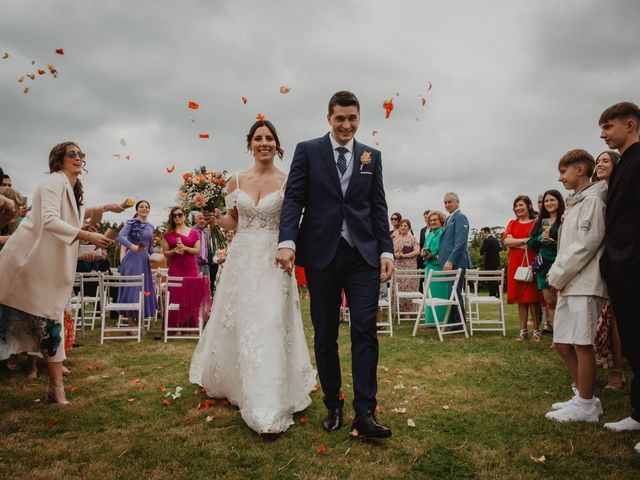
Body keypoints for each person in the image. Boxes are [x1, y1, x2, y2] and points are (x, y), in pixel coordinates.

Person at [276, 91, 394, 439]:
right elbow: (295, 196)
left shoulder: (371, 156)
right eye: (340, 118)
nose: (346, 125)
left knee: (364, 330)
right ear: (329, 118)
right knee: (325, 332)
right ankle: (333, 404)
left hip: (363, 256)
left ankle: (365, 412)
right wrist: (287, 241)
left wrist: (386, 250)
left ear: (359, 119)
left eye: (352, 118)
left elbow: (378, 206)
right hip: (321, 254)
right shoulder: (308, 150)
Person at [190, 119, 315, 435]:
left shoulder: (289, 181)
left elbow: (294, 223)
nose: (264, 143)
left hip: (275, 258)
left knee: (270, 321)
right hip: (242, 258)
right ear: (249, 144)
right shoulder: (234, 181)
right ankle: (238, 384)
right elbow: (232, 221)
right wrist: (212, 217)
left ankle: (267, 401)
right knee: (243, 321)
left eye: (269, 138)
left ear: (277, 144)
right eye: (258, 138)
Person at [0, 142, 119, 404]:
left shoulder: (73, 188)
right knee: (45, 322)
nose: (78, 158)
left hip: (51, 268)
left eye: (81, 155)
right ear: (57, 160)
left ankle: (56, 388)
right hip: (28, 264)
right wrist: (89, 235)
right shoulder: (51, 183)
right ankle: (56, 388)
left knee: (52, 321)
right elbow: (51, 220)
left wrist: (107, 207)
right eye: (72, 154)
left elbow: (75, 214)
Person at [545, 149, 607, 423]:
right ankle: (583, 396)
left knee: (582, 344)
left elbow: (585, 246)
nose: (560, 178)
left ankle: (586, 405)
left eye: (563, 172)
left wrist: (557, 274)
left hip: (584, 282)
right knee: (561, 342)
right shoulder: (575, 203)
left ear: (580, 169)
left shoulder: (594, 201)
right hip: (569, 282)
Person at [598, 103, 640, 443]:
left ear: (631, 124)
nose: (603, 134)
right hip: (620, 265)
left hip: (633, 261)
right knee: (633, 343)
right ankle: (638, 413)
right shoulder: (624, 163)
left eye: (608, 127)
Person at [590, 151, 625, 390]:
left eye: (605, 160)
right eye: (597, 161)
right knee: (605, 319)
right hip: (601, 261)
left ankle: (618, 371)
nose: (599, 164)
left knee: (617, 321)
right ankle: (602, 360)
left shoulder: (620, 190)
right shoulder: (596, 193)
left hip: (621, 258)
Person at [162, 207, 207, 331]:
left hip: (191, 267)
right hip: (175, 267)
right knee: (176, 296)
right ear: (172, 217)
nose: (177, 217)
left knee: (191, 295)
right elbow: (165, 253)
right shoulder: (167, 234)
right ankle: (176, 326)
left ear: (184, 216)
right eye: (174, 215)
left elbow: (197, 251)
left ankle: (189, 325)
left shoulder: (193, 232)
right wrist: (174, 251)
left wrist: (186, 248)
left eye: (180, 214)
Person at [504, 195, 541, 341]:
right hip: (515, 262)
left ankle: (537, 330)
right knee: (521, 298)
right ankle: (523, 330)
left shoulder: (535, 223)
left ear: (529, 206)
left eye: (521, 205)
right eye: (516, 206)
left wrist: (517, 242)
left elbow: (537, 242)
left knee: (532, 298)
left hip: (531, 261)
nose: (518, 208)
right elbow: (507, 241)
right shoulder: (512, 223)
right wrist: (525, 240)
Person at [527, 190, 564, 337]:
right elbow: (531, 243)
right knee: (550, 302)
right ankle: (557, 337)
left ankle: (566, 336)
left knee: (562, 302)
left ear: (559, 201)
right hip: (543, 265)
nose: (549, 203)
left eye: (552, 200)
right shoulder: (540, 222)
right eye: (546, 201)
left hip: (560, 264)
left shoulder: (565, 219)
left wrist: (554, 242)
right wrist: (540, 239)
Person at [117, 200, 157, 329]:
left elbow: (150, 247)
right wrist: (132, 246)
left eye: (147, 207)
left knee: (143, 289)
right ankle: (131, 322)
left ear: (149, 210)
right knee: (132, 288)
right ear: (137, 210)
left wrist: (157, 255)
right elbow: (120, 237)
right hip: (132, 259)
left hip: (144, 261)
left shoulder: (151, 226)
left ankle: (140, 320)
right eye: (141, 206)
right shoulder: (130, 223)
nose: (144, 208)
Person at [438, 192, 471, 328]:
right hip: (449, 263)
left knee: (455, 293)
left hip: (457, 262)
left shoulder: (460, 217)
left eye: (450, 202)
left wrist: (450, 260)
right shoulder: (449, 218)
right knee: (452, 292)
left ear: (457, 202)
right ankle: (455, 322)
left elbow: (461, 242)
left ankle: (459, 324)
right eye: (445, 202)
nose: (447, 205)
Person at [422, 211, 447, 325]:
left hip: (439, 266)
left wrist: (434, 254)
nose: (432, 222)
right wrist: (424, 252)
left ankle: (442, 319)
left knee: (440, 293)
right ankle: (431, 320)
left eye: (435, 220)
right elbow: (424, 247)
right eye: (431, 220)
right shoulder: (429, 234)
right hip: (429, 266)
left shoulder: (444, 232)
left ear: (441, 221)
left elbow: (444, 249)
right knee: (430, 293)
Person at [392, 218, 420, 316]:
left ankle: (408, 312)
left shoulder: (413, 238)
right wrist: (395, 255)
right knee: (397, 287)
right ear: (398, 227)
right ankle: (396, 310)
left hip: (409, 266)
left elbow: (417, 251)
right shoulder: (394, 238)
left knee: (408, 287)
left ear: (409, 228)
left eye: (405, 226)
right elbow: (390, 251)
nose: (403, 227)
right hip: (397, 265)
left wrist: (405, 255)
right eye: (401, 225)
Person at [479, 227, 501, 297]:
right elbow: (499, 249)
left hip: (489, 262)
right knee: (493, 277)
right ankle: (498, 293)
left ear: (486, 232)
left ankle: (492, 294)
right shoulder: (495, 240)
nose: (482, 235)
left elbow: (482, 250)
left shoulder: (487, 240)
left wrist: (483, 252)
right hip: (496, 261)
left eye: (482, 233)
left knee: (489, 278)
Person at [193, 212, 212, 278]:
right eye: (200, 218)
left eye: (204, 219)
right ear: (195, 220)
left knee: (206, 286)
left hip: (206, 266)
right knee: (195, 286)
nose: (202, 220)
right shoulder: (191, 232)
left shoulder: (207, 232)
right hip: (194, 265)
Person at [417, 210, 430, 292]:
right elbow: (421, 244)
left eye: (428, 217)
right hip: (422, 258)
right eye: (425, 217)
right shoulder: (422, 230)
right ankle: (422, 296)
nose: (426, 219)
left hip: (431, 256)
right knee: (422, 278)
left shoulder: (435, 229)